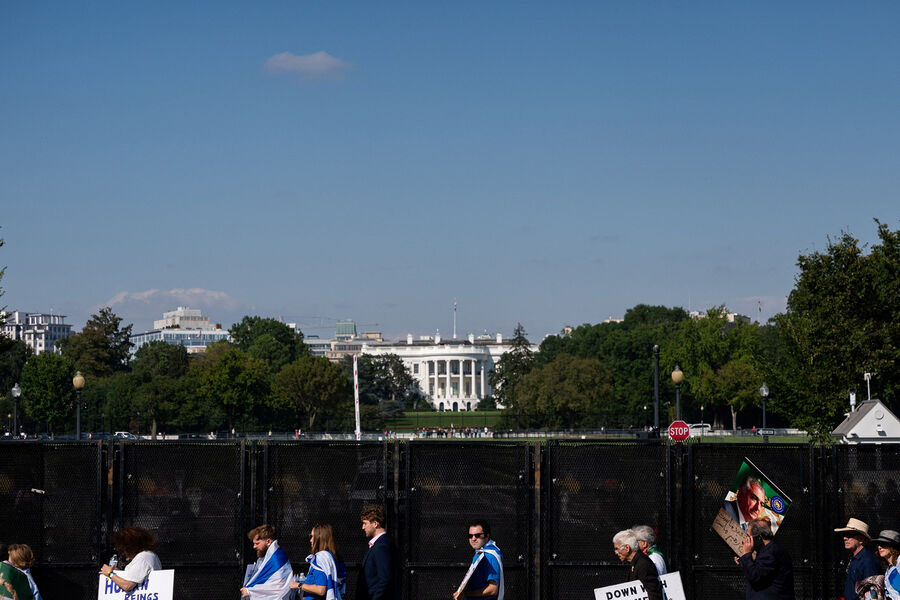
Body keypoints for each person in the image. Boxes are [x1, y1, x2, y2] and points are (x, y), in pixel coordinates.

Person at [735, 518, 795, 599]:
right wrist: (743, 561)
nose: (746, 540)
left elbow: (755, 576)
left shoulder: (770, 554)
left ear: (758, 538)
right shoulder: (769, 550)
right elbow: (759, 572)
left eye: (749, 537)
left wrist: (747, 555)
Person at [290, 524, 346, 600]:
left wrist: (298, 585)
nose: (310, 540)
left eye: (312, 536)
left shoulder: (321, 558)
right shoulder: (334, 557)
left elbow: (321, 590)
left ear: (320, 538)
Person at [99, 526, 161, 593]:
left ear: (131, 546)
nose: (124, 553)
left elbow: (127, 586)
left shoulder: (143, 557)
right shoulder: (149, 555)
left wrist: (110, 573)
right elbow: (136, 576)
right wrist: (118, 572)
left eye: (124, 549)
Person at [454, 520, 504, 600]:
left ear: (487, 536)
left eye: (477, 535)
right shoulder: (481, 552)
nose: (473, 539)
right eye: (470, 536)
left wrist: (465, 594)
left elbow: (492, 590)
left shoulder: (489, 556)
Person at [241, 524, 293, 600]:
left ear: (268, 541)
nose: (254, 546)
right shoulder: (267, 556)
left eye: (257, 543)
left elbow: (278, 586)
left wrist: (250, 592)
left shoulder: (276, 559)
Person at [835, 518, 882, 600]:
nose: (845, 538)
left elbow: (873, 592)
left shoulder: (868, 560)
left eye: (849, 535)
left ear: (861, 539)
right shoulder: (855, 558)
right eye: (844, 535)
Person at [358, 504, 397, 600]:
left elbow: (384, 579)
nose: (363, 527)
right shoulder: (382, 544)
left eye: (365, 523)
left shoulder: (381, 546)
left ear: (375, 524)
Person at [613, 529, 662, 600]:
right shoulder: (636, 563)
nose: (616, 552)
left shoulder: (643, 564)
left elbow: (654, 593)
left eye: (617, 549)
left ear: (627, 548)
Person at [872, 530, 900, 600]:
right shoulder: (889, 568)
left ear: (893, 546)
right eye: (878, 544)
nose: (879, 547)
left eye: (883, 544)